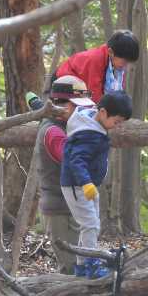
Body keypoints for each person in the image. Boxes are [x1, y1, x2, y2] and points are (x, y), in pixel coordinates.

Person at [61, 91, 133, 279]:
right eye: (116, 122)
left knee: (91, 225)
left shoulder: (94, 127)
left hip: (88, 185)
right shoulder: (87, 134)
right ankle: (91, 266)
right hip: (77, 185)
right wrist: (85, 183)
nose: (117, 126)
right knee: (90, 224)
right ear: (102, 112)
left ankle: (83, 265)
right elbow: (77, 161)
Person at [34, 75, 95, 274]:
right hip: (61, 209)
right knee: (72, 267)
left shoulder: (67, 125)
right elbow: (73, 159)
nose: (83, 111)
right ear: (62, 106)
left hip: (74, 206)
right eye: (77, 106)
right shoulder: (53, 131)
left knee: (83, 264)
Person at [55, 30, 140, 104]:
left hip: (83, 89)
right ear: (111, 52)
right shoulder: (96, 59)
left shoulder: (116, 65)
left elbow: (118, 90)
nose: (125, 66)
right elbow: (94, 93)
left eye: (128, 62)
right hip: (63, 84)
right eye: (124, 61)